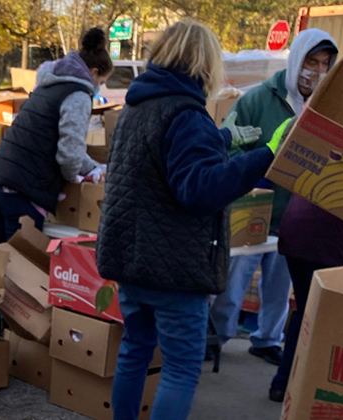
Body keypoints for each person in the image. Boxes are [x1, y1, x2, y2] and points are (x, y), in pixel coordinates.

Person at [96, 20, 276, 420]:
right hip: (174, 269)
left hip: (131, 262)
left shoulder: (138, 107)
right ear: (205, 64)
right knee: (180, 368)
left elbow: (167, 161)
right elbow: (199, 190)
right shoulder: (187, 114)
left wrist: (224, 139)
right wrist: (265, 156)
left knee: (135, 352)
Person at [210, 29, 338, 368]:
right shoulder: (258, 99)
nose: (318, 71)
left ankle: (266, 339)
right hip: (253, 212)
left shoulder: (329, 106)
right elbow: (230, 149)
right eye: (312, 62)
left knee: (279, 289)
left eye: (327, 64)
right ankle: (218, 338)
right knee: (233, 283)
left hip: (295, 218)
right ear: (297, 59)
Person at [0, 28, 112, 245]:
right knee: (22, 273)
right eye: (103, 80)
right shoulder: (78, 96)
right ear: (94, 72)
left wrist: (92, 166)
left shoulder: (48, 86)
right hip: (24, 194)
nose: (101, 86)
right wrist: (75, 179)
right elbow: (69, 155)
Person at [268, 120, 343, 402]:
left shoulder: (331, 122)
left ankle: (285, 384)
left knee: (306, 310)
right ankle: (315, 389)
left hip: (299, 229)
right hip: (329, 238)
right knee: (328, 317)